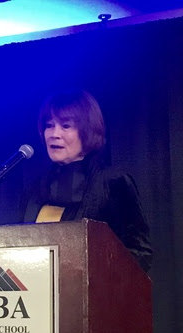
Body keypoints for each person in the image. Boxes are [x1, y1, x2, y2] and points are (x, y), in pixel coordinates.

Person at [23, 89, 152, 272]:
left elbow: (139, 252)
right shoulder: (35, 189)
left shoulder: (113, 182)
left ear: (87, 131)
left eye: (65, 126)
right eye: (49, 125)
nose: (54, 133)